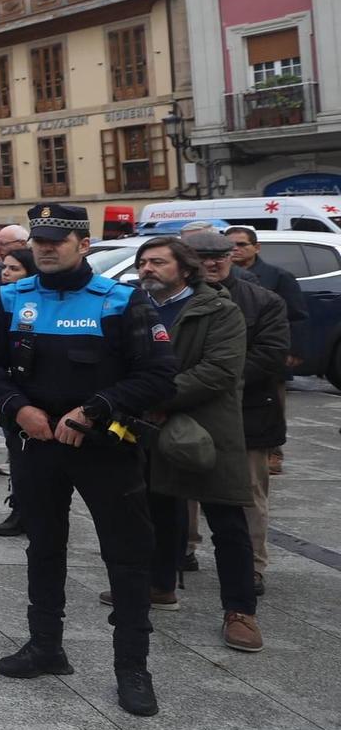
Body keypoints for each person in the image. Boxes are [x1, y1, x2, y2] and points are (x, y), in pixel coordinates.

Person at [0, 203, 177, 718]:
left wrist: (93, 410)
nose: (45, 247)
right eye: (39, 239)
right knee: (43, 547)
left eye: (58, 240)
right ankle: (45, 646)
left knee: (126, 557)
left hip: (104, 446)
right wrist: (17, 408)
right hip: (37, 444)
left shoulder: (121, 301)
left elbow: (158, 374)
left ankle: (133, 667)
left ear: (83, 245)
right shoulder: (13, 297)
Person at [131, 235, 262, 651]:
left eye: (158, 263)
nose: (147, 269)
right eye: (143, 263)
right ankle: (159, 586)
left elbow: (219, 371)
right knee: (159, 509)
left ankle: (240, 611)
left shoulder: (219, 309)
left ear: (184, 269)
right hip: (149, 426)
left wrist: (154, 397)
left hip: (207, 427)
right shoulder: (135, 307)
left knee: (226, 520)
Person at [192, 239, 291, 600]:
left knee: (247, 491)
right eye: (203, 257)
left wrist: (218, 379)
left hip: (248, 410)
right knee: (177, 488)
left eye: (219, 256)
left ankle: (252, 565)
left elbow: (272, 354)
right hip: (186, 408)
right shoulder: (175, 298)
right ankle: (181, 552)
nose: (212, 263)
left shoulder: (262, 299)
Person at [226, 226, 305, 475]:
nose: (236, 250)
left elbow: (297, 315)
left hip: (269, 352)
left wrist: (295, 349)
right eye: (231, 246)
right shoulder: (220, 276)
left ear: (256, 247)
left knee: (273, 404)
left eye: (242, 245)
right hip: (240, 351)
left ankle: (274, 452)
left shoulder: (277, 276)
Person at [0, 247, 37, 536]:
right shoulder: (1, 300)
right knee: (17, 454)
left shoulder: (35, 302)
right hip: (9, 394)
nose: (6, 273)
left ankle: (39, 509)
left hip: (37, 391)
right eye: (4, 267)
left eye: (14, 268)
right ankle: (20, 507)